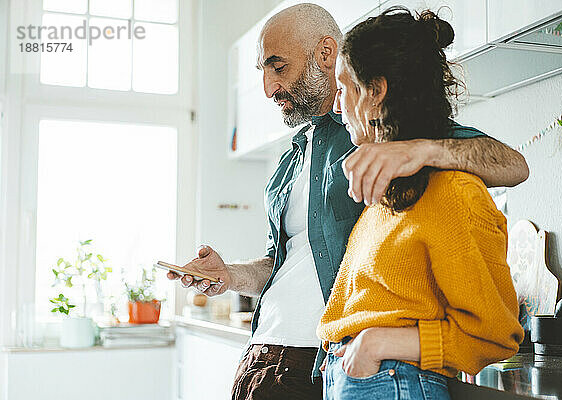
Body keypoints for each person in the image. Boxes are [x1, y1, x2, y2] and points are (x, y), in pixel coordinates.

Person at [167, 4, 529, 399]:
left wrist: (419, 151)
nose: (269, 87)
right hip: (265, 356)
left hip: (320, 362)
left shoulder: (401, 152)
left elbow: (512, 165)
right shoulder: (291, 161)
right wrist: (230, 275)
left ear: (326, 54)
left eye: (278, 66)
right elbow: (285, 261)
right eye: (263, 72)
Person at [316, 7, 524, 400]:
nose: (337, 105)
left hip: (391, 379)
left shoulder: (453, 192)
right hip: (356, 375)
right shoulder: (389, 191)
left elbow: (494, 336)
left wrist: (376, 344)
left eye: (343, 88)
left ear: (376, 92)